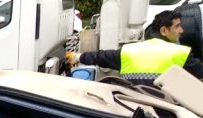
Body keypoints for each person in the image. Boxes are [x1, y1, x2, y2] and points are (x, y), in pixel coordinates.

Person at [66, 11, 203, 85]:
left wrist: (76, 56)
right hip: (166, 113)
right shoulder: (180, 54)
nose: (181, 30)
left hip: (132, 109)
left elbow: (100, 57)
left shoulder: (128, 51)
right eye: (177, 26)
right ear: (164, 31)